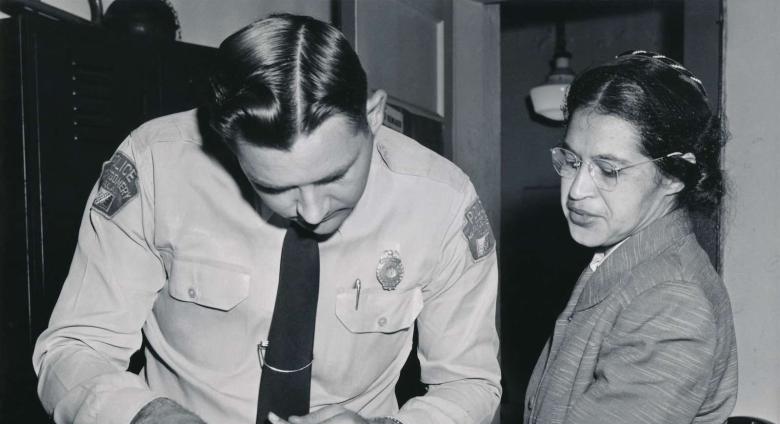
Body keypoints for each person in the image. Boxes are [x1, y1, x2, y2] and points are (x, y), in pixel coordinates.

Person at [33, 14, 501, 424]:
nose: (313, 212)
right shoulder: (155, 166)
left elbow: (472, 383)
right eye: (275, 187)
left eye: (336, 175)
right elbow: (74, 350)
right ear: (225, 142)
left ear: (373, 115)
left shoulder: (442, 202)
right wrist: (147, 416)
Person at [524, 50, 737, 424]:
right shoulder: (625, 260)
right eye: (572, 161)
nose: (576, 190)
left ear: (675, 175)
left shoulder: (672, 301)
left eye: (608, 170)